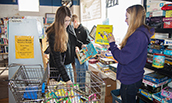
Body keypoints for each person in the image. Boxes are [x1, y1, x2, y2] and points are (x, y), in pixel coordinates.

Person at [107, 4, 155, 103]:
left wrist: (112, 43)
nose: (125, 20)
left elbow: (123, 58)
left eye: (127, 17)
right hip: (134, 77)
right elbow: (131, 53)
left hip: (130, 79)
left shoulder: (138, 36)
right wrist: (115, 48)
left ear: (134, 18)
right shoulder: (140, 34)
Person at [46, 6, 73, 85]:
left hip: (67, 65)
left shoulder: (67, 28)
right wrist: (67, 79)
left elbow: (73, 41)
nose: (67, 23)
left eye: (69, 20)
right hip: (58, 69)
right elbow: (57, 60)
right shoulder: (53, 34)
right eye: (65, 21)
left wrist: (80, 45)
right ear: (59, 20)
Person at [71, 14, 90, 87]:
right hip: (76, 57)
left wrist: (81, 48)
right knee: (78, 74)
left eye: (72, 24)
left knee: (83, 74)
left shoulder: (84, 30)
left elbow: (88, 44)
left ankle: (82, 91)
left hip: (83, 57)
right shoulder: (73, 30)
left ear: (75, 21)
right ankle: (78, 89)